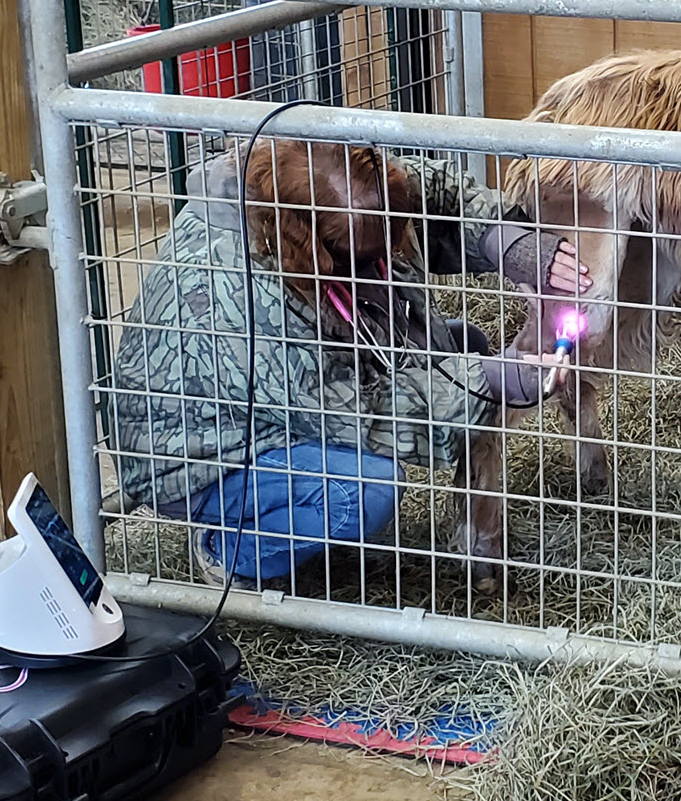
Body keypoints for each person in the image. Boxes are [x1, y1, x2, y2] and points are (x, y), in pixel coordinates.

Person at [111, 145, 589, 588]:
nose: (385, 259)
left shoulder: (334, 175)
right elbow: (359, 414)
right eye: (360, 256)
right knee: (365, 492)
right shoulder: (243, 298)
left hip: (290, 399)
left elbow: (433, 188)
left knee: (462, 343)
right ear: (306, 240)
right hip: (207, 454)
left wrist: (508, 243)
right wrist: (490, 380)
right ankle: (232, 547)